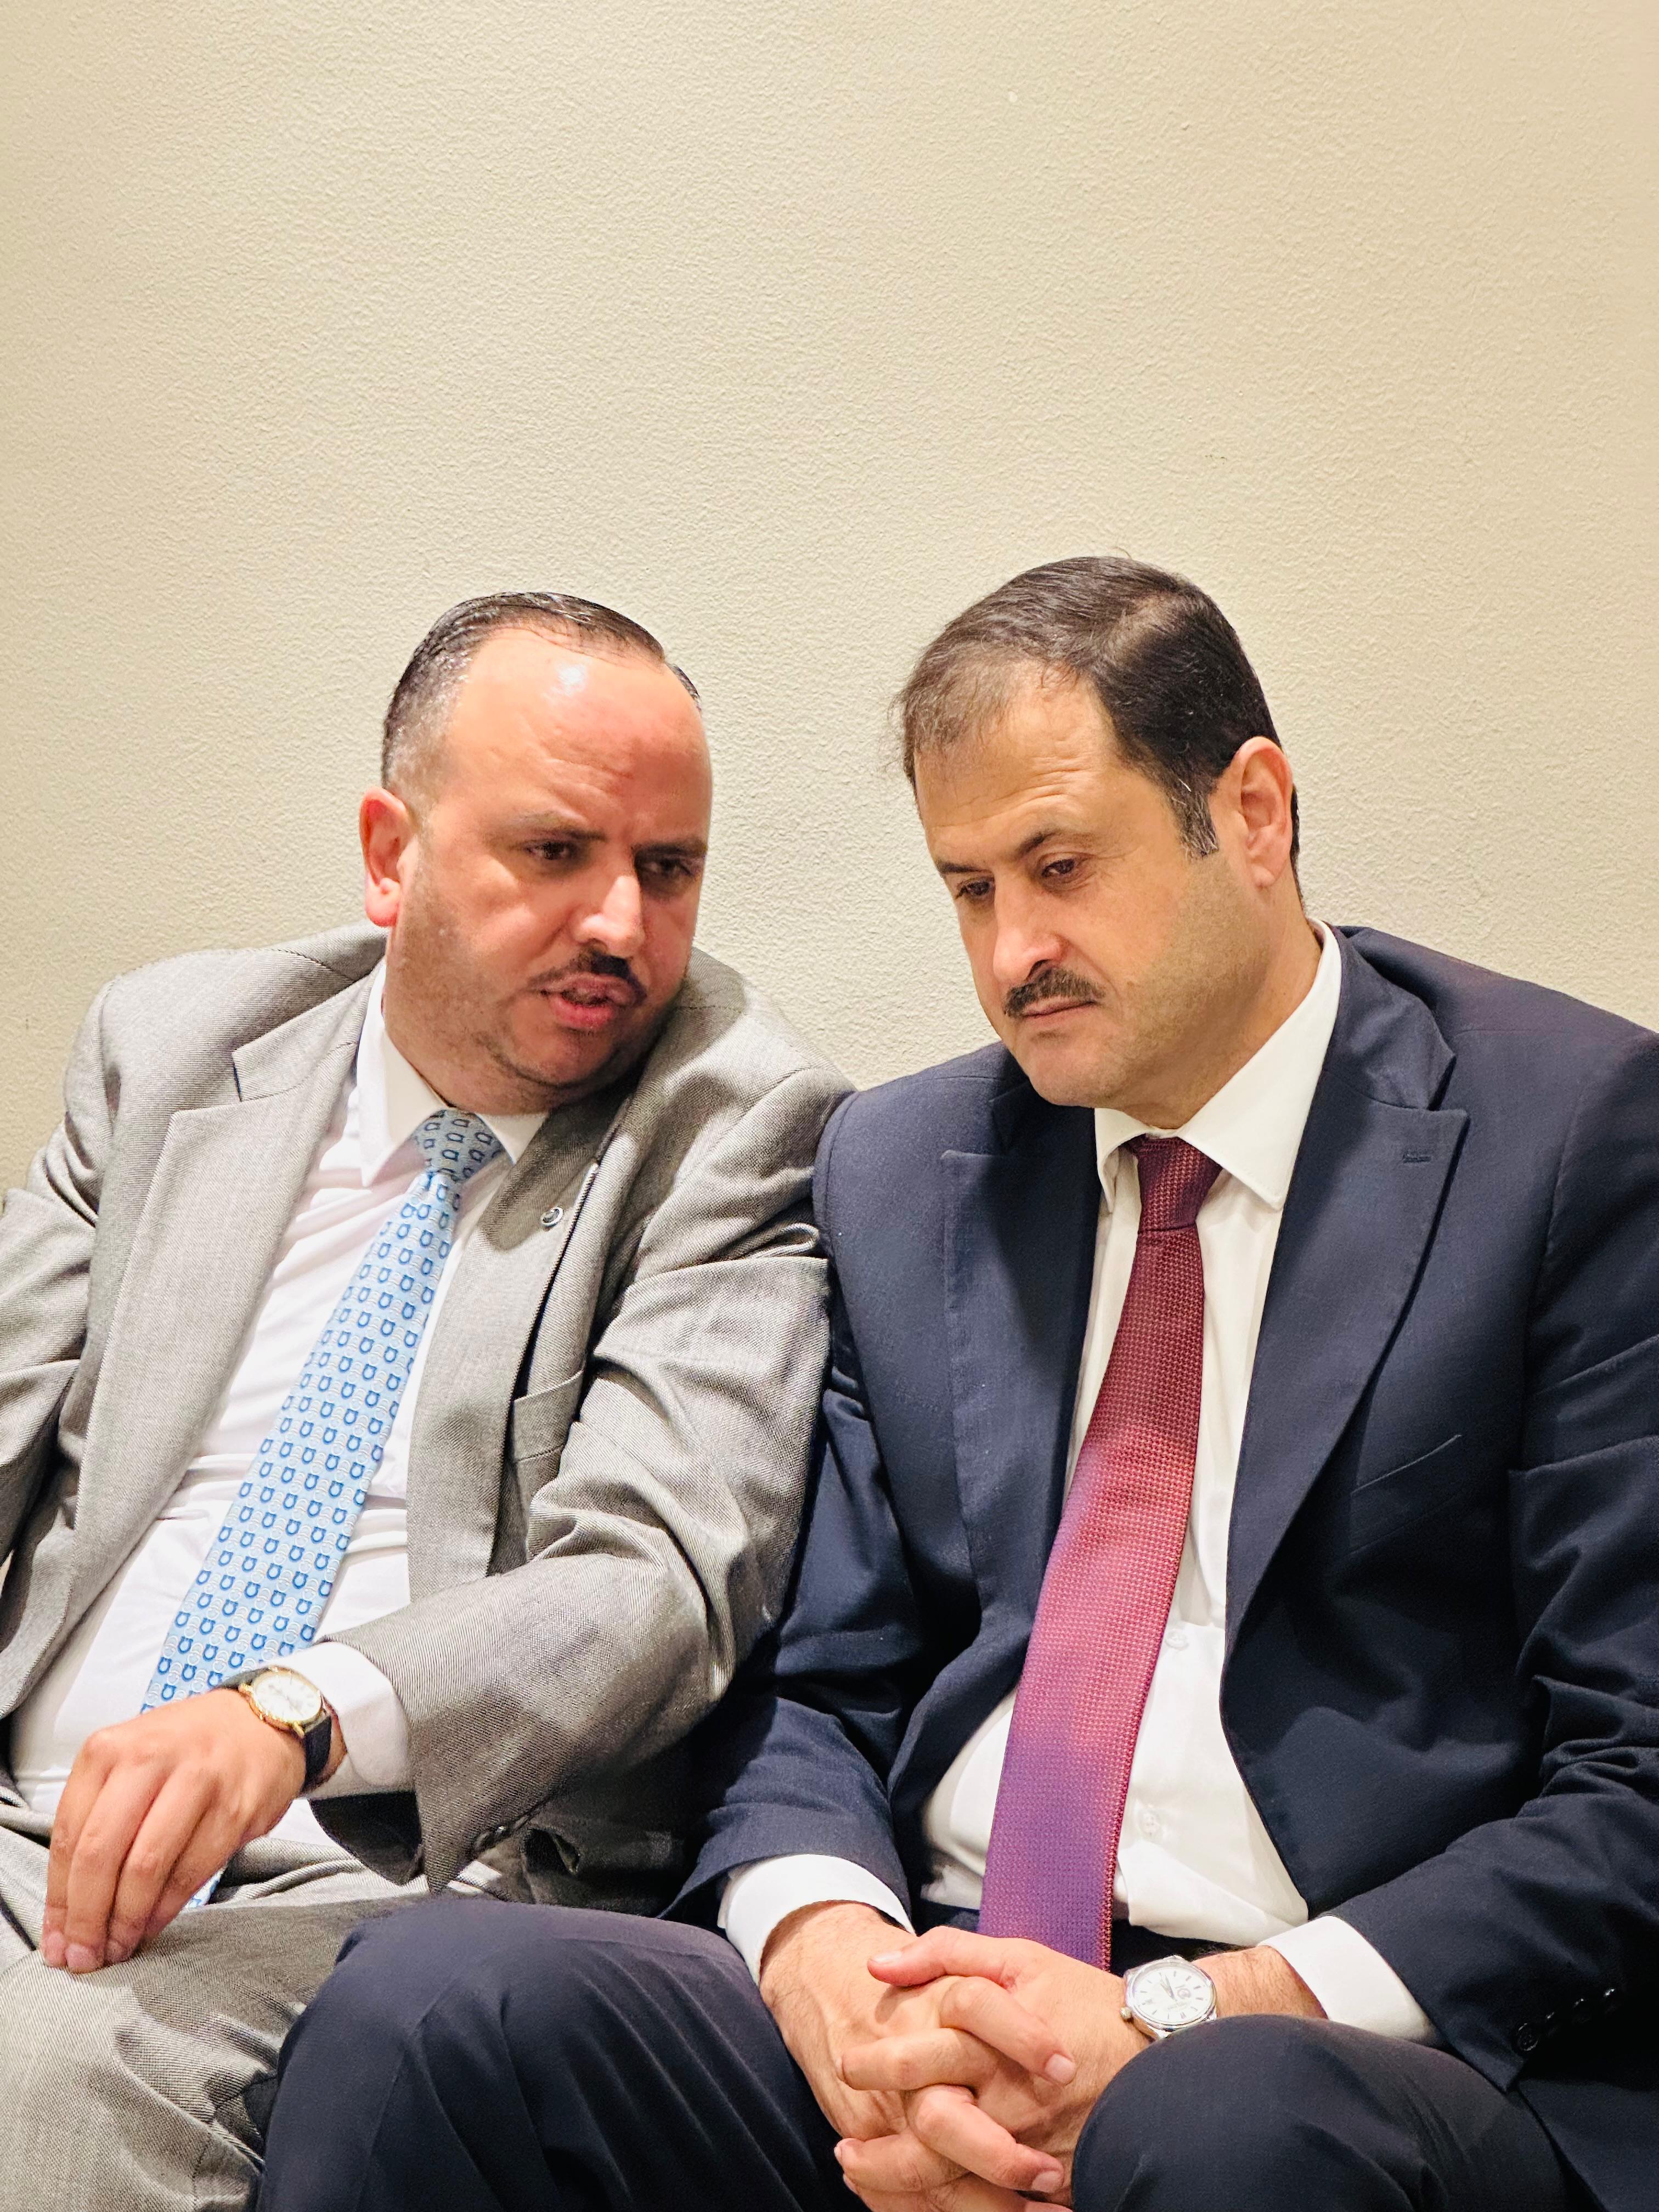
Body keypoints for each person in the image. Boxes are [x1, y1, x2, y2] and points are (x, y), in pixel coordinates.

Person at [267, 557, 1658, 2212]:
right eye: (969, 889)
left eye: (1061, 869)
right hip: (941, 1977)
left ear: (1253, 814)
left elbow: (1634, 1774)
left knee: (1220, 2125)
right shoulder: (905, 1166)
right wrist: (832, 1967)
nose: (1014, 954)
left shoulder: (1568, 1140)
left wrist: (1178, 2018)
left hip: (1333, 2038)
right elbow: (813, 1684)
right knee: (432, 2008)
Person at [0, 589, 849, 2210]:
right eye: (556, 853)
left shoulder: (735, 1125)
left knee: (50, 2066)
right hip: (27, 1812)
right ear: (391, 855)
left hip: (377, 1883)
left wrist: (288, 1714)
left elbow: (658, 1575)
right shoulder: (173, 1050)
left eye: (668, 868)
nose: (622, 923)